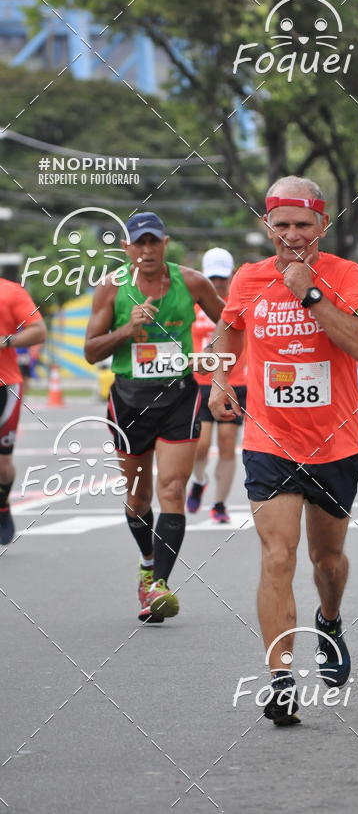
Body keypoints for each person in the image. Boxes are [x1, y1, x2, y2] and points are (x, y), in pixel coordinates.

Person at [208, 175, 358, 726]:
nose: (293, 235)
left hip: (336, 442)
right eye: (283, 226)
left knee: (326, 560)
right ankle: (280, 678)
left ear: (322, 225)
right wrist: (221, 379)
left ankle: (329, 620)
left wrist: (310, 290)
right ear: (267, 226)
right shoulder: (248, 278)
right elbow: (228, 332)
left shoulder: (347, 275)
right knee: (276, 556)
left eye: (304, 225)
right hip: (269, 440)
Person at [84, 212, 224, 622]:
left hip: (179, 395)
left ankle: (160, 585)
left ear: (166, 243)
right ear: (127, 248)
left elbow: (233, 323)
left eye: (153, 242)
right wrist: (126, 330)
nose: (146, 250)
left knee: (172, 488)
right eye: (138, 243)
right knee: (138, 497)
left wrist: (219, 369)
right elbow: (91, 352)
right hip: (129, 398)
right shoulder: (111, 288)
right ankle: (148, 563)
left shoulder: (192, 282)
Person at [187, 247, 247, 523]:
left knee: (226, 444)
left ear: (232, 275)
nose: (218, 283)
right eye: (212, 277)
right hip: (201, 382)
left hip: (235, 381)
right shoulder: (194, 304)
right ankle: (199, 480)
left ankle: (220, 504)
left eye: (222, 277)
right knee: (200, 445)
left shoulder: (241, 302)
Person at [0, 279, 47, 544]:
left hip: (4, 386)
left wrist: (5, 341)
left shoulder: (11, 292)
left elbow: (39, 331)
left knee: (2, 464)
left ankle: (3, 504)